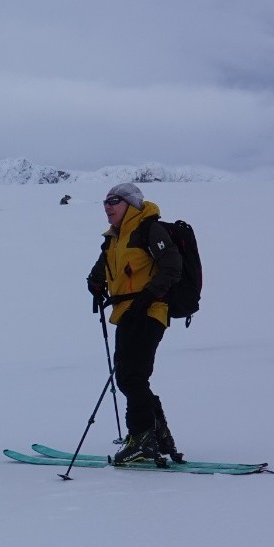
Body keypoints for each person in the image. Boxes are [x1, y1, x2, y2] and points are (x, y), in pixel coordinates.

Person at [86, 182, 184, 463]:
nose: (107, 206)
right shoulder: (116, 237)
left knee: (131, 377)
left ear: (130, 203)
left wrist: (148, 297)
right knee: (131, 376)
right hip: (127, 312)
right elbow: (104, 265)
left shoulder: (149, 229)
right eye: (105, 202)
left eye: (114, 201)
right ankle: (157, 433)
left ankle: (142, 437)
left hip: (149, 311)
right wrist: (94, 283)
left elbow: (172, 267)